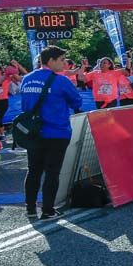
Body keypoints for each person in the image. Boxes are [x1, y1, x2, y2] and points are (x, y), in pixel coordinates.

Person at [18, 45, 83, 219]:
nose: (64, 64)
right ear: (51, 61)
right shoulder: (61, 81)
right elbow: (76, 101)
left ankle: (30, 208)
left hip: (33, 133)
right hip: (56, 132)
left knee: (33, 170)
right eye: (62, 60)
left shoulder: (27, 79)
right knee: (52, 172)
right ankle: (47, 210)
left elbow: (25, 105)